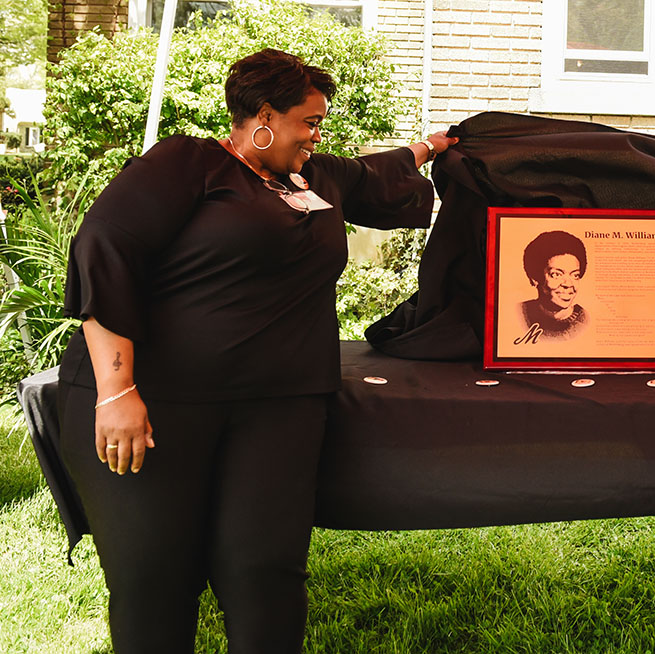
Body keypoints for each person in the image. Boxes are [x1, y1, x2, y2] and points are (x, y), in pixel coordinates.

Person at [56, 48, 456, 653]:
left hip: (279, 409)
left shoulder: (316, 178)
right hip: (157, 405)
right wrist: (116, 391)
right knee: (154, 578)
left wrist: (432, 148)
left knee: (266, 572)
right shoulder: (188, 164)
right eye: (310, 122)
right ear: (264, 115)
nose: (317, 136)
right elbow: (104, 250)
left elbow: (376, 174)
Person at [519, 230, 589, 340]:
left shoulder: (587, 322)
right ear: (535, 279)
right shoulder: (519, 314)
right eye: (556, 274)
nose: (568, 284)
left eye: (575, 275)